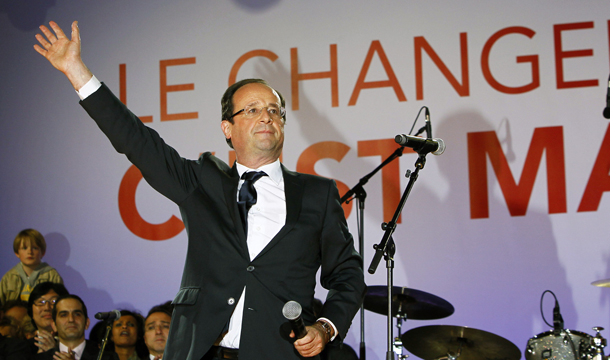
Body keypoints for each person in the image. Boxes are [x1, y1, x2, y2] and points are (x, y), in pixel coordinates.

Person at [34, 20, 366, 360]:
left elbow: (348, 275)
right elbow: (137, 140)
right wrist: (76, 70)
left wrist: (325, 327)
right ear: (228, 128)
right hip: (202, 350)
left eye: (274, 111)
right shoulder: (202, 182)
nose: (266, 117)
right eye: (252, 110)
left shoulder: (317, 194)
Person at [35, 294, 118, 360]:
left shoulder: (107, 357)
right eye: (64, 315)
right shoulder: (40, 358)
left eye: (77, 314)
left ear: (87, 323)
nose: (71, 319)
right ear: (54, 325)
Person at [0, 229, 64, 304]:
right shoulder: (9, 277)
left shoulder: (52, 275)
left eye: (35, 248)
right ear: (17, 253)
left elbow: (61, 302)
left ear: (42, 252)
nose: (30, 252)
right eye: (24, 248)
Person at [27, 282, 69, 354]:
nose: (47, 308)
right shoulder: (20, 349)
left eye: (54, 301)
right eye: (41, 302)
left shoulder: (79, 346)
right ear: (31, 312)